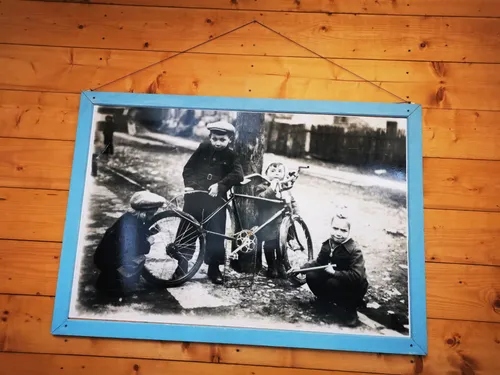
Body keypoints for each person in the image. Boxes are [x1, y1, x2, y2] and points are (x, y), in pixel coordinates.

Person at [173, 120, 244, 285]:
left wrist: (220, 185)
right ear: (210, 138)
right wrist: (190, 186)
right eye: (215, 139)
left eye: (222, 140)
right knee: (187, 229)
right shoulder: (203, 148)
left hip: (216, 201)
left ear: (229, 140)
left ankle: (214, 268)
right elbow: (188, 169)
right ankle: (182, 265)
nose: (218, 143)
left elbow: (238, 175)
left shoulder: (231, 155)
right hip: (195, 197)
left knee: (215, 233)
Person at [291, 213, 368, 327]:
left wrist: (334, 273)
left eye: (343, 230)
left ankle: (350, 310)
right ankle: (324, 301)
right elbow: (318, 263)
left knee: (333, 283)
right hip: (334, 279)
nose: (338, 233)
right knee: (312, 275)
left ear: (349, 231)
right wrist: (300, 269)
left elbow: (357, 276)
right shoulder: (328, 245)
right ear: (330, 227)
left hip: (353, 287)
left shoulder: (354, 250)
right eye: (335, 228)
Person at [93, 191, 166, 297]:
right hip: (107, 260)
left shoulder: (131, 218)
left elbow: (136, 235)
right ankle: (112, 282)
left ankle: (107, 278)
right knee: (139, 258)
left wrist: (149, 231)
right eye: (151, 214)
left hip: (104, 255)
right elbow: (135, 247)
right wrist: (149, 242)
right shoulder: (132, 226)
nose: (152, 216)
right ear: (144, 213)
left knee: (126, 257)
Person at [255, 162, 299, 278]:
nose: (276, 174)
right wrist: (271, 189)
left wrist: (296, 214)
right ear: (266, 173)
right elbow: (260, 199)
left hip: (283, 225)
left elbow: (292, 201)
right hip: (268, 222)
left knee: (281, 247)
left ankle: (281, 265)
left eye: (279, 172)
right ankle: (271, 267)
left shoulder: (284, 188)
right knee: (269, 246)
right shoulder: (262, 186)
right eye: (273, 171)